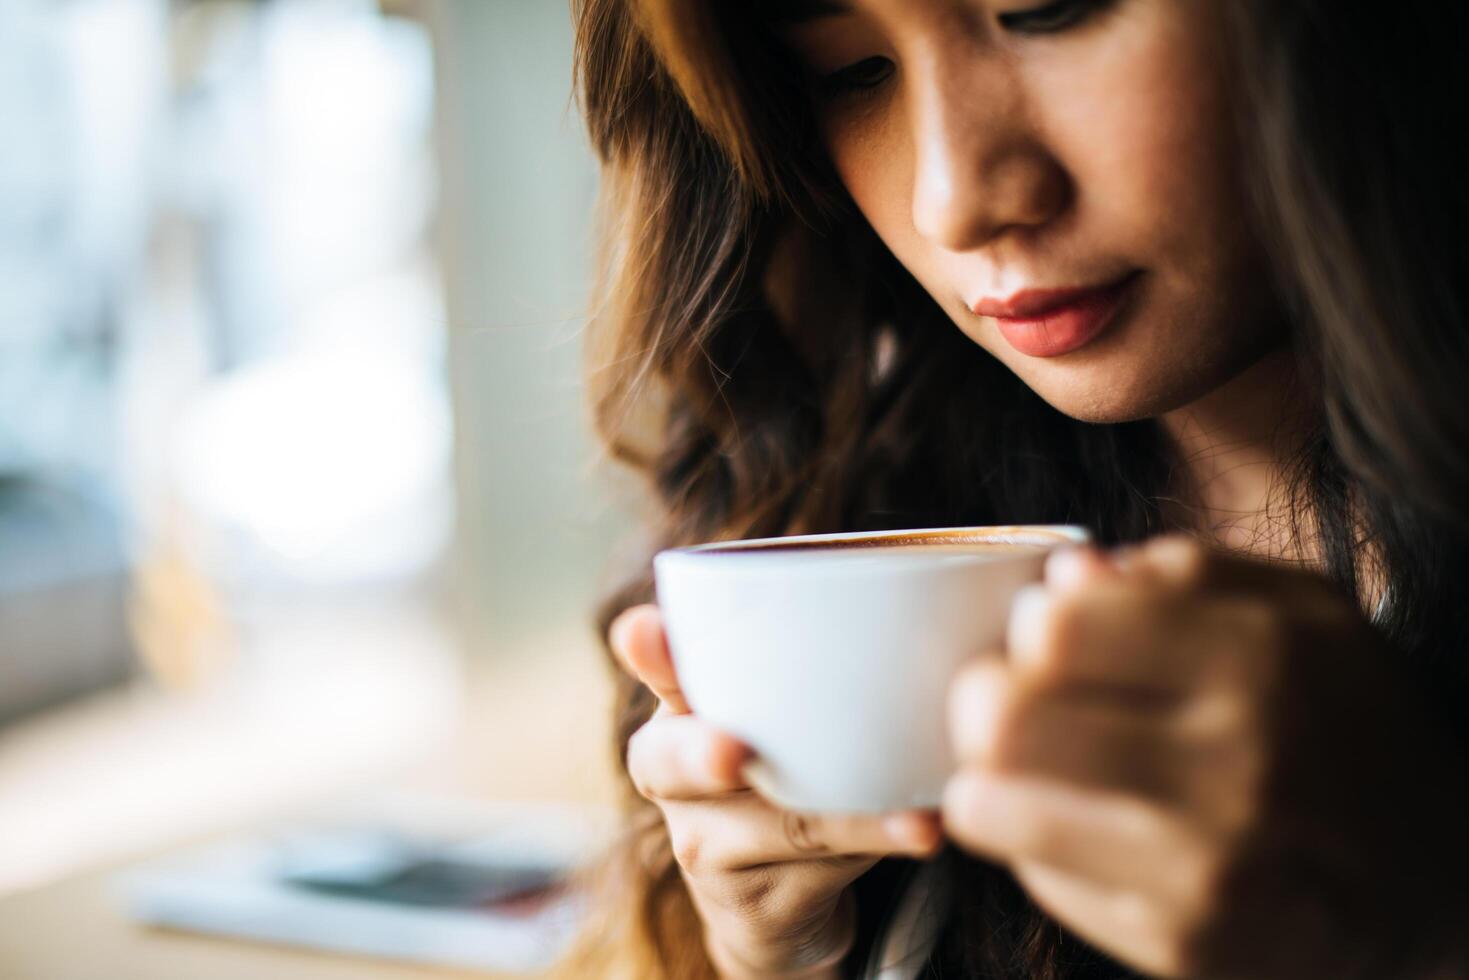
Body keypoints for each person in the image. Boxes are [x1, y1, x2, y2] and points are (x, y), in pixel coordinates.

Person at [563, 0, 1469, 976]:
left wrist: (1426, 928)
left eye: (1047, 12)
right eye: (850, 72)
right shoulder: (868, 499)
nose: (955, 199)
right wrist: (766, 956)